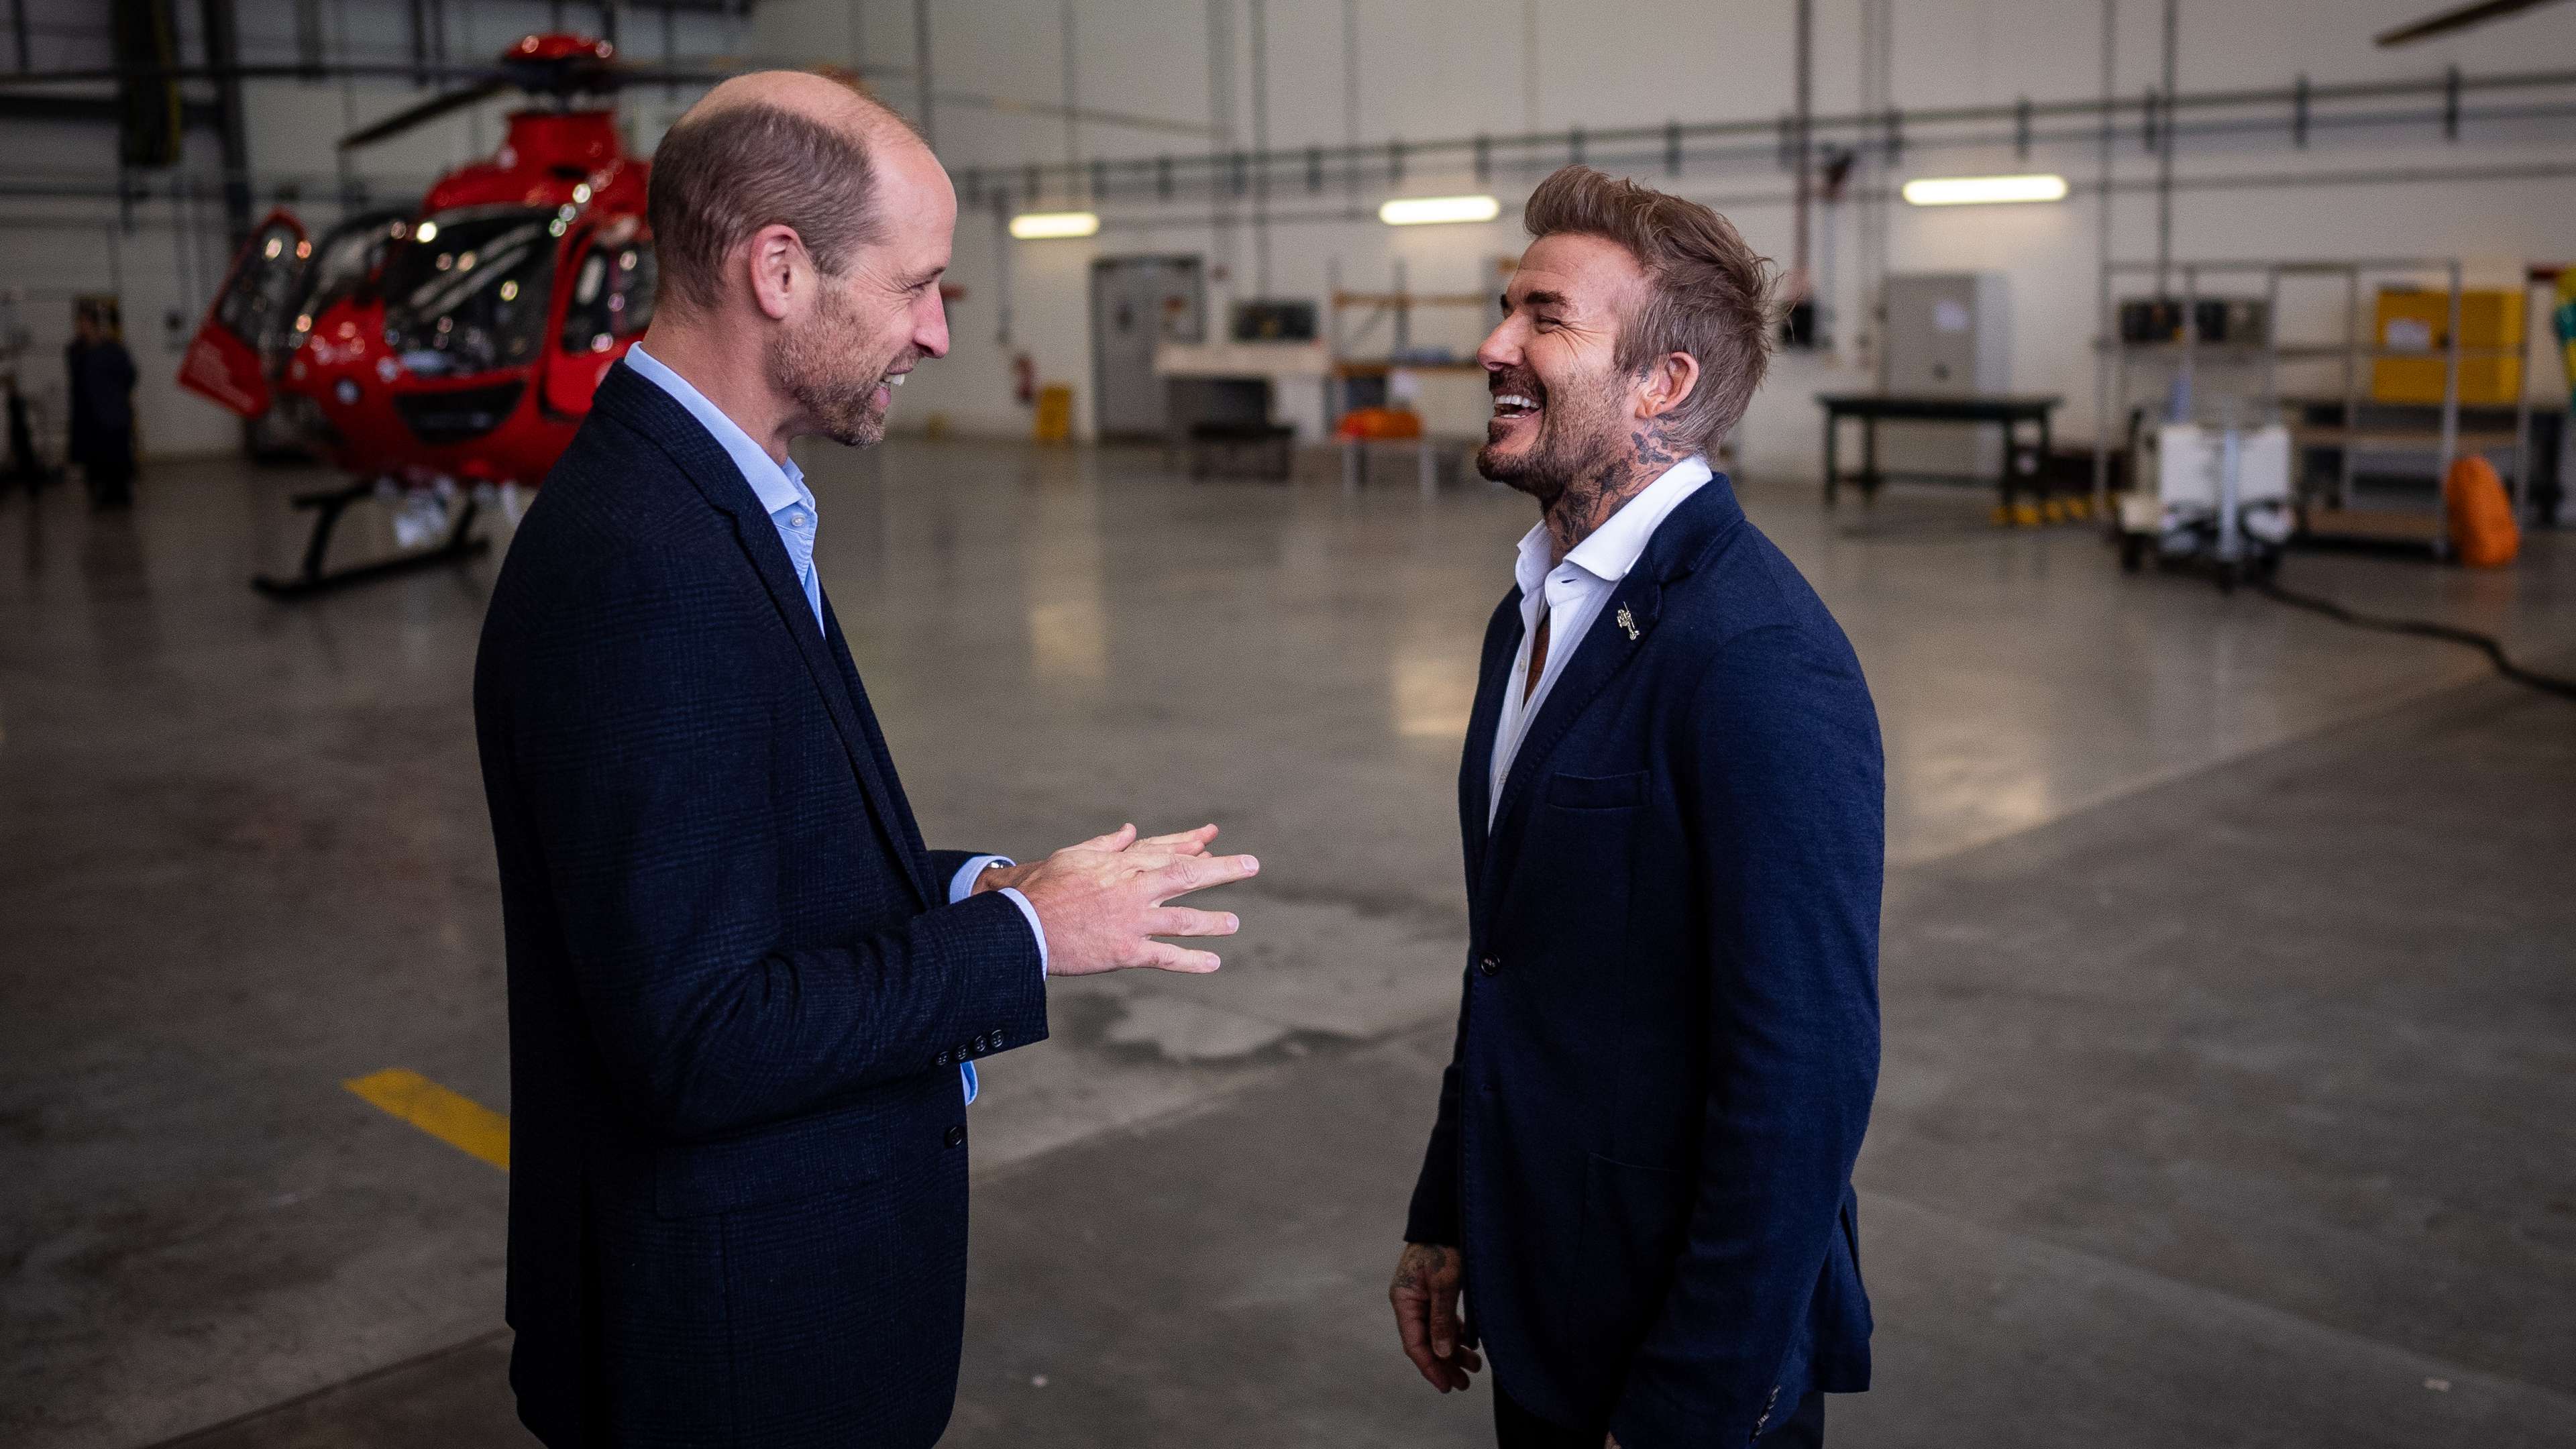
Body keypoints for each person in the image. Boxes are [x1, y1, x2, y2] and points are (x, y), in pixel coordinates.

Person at [474, 72, 1260, 1449]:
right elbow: (697, 1039)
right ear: (778, 269)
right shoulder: (646, 565)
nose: (939, 334)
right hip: (729, 1353)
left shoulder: (718, 498)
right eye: (916, 288)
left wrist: (967, 886)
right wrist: (1023, 940)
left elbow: (742, 866)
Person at [1388, 166, 1882, 1449]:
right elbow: (1515, 959)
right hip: (1545, 1286)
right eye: (1506, 308)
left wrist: (1693, 1400)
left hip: (1682, 1360)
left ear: (1664, 385)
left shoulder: (1758, 658)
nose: (1493, 345)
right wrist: (1449, 1209)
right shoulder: (1535, 612)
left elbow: (1803, 1077)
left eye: (1544, 318)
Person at [66, 307, 137, 508]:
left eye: (85, 323)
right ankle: (103, 494)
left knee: (117, 456)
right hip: (90, 415)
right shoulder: (77, 350)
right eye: (79, 324)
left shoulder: (113, 349)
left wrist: (116, 397)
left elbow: (129, 375)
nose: (81, 328)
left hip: (112, 412)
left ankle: (120, 494)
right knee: (96, 459)